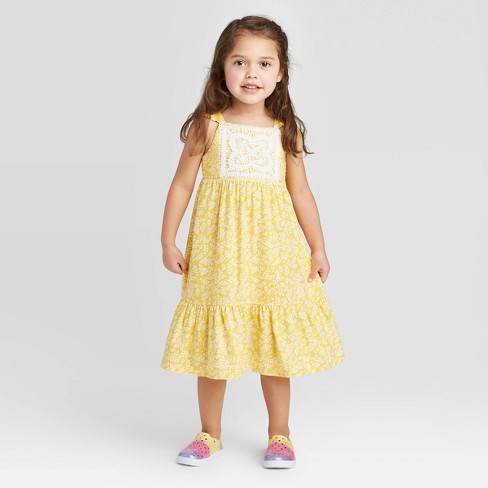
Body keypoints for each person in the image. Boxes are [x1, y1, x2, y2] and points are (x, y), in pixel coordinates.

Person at [160, 15, 345, 469]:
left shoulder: (286, 131)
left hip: (273, 255)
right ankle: (210, 433)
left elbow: (301, 193)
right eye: (240, 62)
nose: (251, 73)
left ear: (280, 74)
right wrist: (168, 240)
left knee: (273, 348)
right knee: (214, 347)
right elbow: (182, 184)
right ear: (221, 68)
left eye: (264, 64)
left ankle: (280, 435)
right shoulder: (208, 126)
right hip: (220, 255)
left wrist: (318, 247)